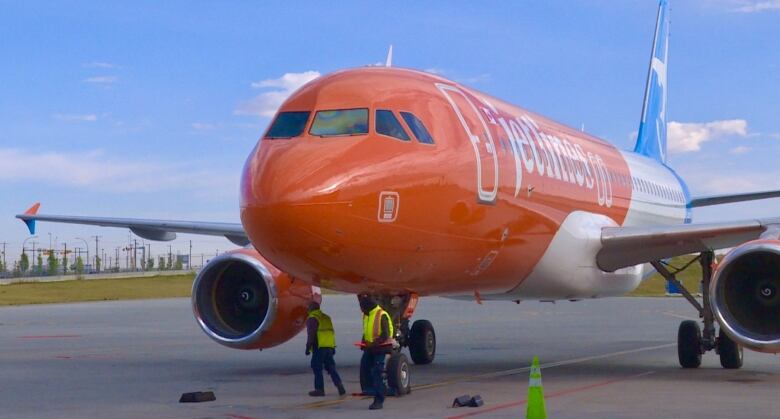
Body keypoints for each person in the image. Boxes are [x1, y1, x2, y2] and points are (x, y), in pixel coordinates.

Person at [360, 296, 394, 410]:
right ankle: (371, 389)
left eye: (362, 307)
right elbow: (366, 330)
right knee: (365, 368)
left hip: (380, 349)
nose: (361, 310)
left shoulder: (381, 315)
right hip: (370, 348)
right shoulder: (367, 315)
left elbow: (385, 334)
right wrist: (363, 341)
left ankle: (379, 399)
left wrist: (373, 343)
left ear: (367, 306)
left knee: (376, 372)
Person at [306, 301, 345, 397]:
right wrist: (333, 347)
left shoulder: (312, 318)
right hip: (329, 346)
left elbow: (311, 334)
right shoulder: (326, 317)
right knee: (331, 367)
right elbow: (331, 332)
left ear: (311, 309)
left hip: (319, 347)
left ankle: (319, 389)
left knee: (316, 367)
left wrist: (308, 347)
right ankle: (339, 386)